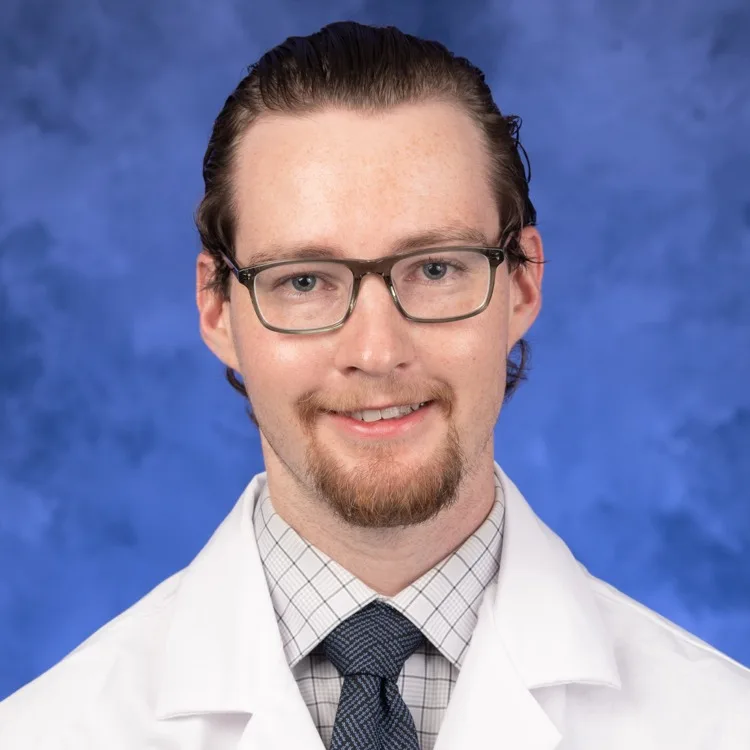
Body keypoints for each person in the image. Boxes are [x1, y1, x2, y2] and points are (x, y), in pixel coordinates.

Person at [1, 20, 748, 750]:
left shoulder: (719, 725)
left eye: (435, 268)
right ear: (216, 307)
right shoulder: (47, 734)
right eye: (303, 280)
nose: (376, 351)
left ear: (522, 284)